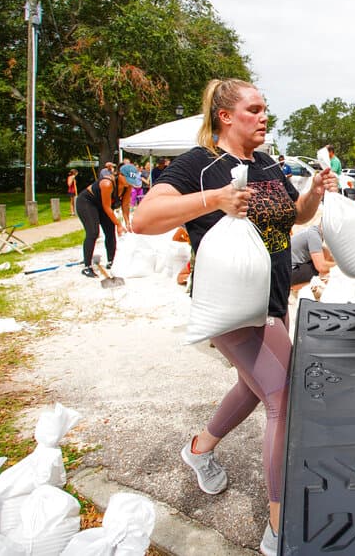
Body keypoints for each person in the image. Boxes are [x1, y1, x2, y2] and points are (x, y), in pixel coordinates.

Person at [133, 78, 338, 556]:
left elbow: (296, 218)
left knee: (254, 383)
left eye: (266, 108)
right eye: (254, 109)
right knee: (283, 394)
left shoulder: (267, 164)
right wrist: (215, 199)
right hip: (226, 304)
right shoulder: (199, 165)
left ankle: (199, 449)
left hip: (269, 299)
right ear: (226, 116)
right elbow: (144, 218)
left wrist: (313, 191)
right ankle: (278, 526)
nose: (264, 117)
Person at [75, 168, 132, 277]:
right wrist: (119, 224)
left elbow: (125, 205)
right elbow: (106, 207)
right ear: (120, 175)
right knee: (93, 232)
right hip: (87, 203)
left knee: (110, 231)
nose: (129, 182)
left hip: (102, 205)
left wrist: (127, 222)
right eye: (128, 179)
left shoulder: (128, 186)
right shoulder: (107, 183)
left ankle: (111, 261)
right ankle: (87, 267)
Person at [290, 223, 331, 289]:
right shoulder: (314, 236)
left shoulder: (313, 230)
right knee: (324, 269)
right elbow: (321, 267)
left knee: (325, 252)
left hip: (285, 268)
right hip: (289, 273)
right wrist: (337, 266)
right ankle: (296, 286)